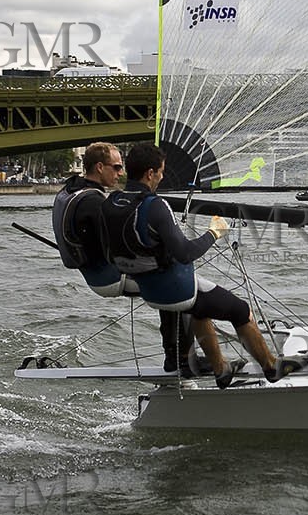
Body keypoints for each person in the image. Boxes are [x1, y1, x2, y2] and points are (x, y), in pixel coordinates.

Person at [104, 143, 306, 385]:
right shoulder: (155, 206)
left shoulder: (111, 202)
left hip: (148, 289)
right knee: (241, 310)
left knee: (201, 309)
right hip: (176, 290)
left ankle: (221, 369)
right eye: (160, 172)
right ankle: (272, 367)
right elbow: (185, 253)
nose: (162, 176)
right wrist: (214, 232)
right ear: (150, 173)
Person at [51, 142, 227, 379]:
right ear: (99, 167)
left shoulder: (73, 190)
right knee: (179, 285)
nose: (121, 173)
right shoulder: (95, 202)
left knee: (169, 275)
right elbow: (124, 240)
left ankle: (175, 355)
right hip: (111, 277)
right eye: (116, 167)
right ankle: (182, 360)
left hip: (94, 274)